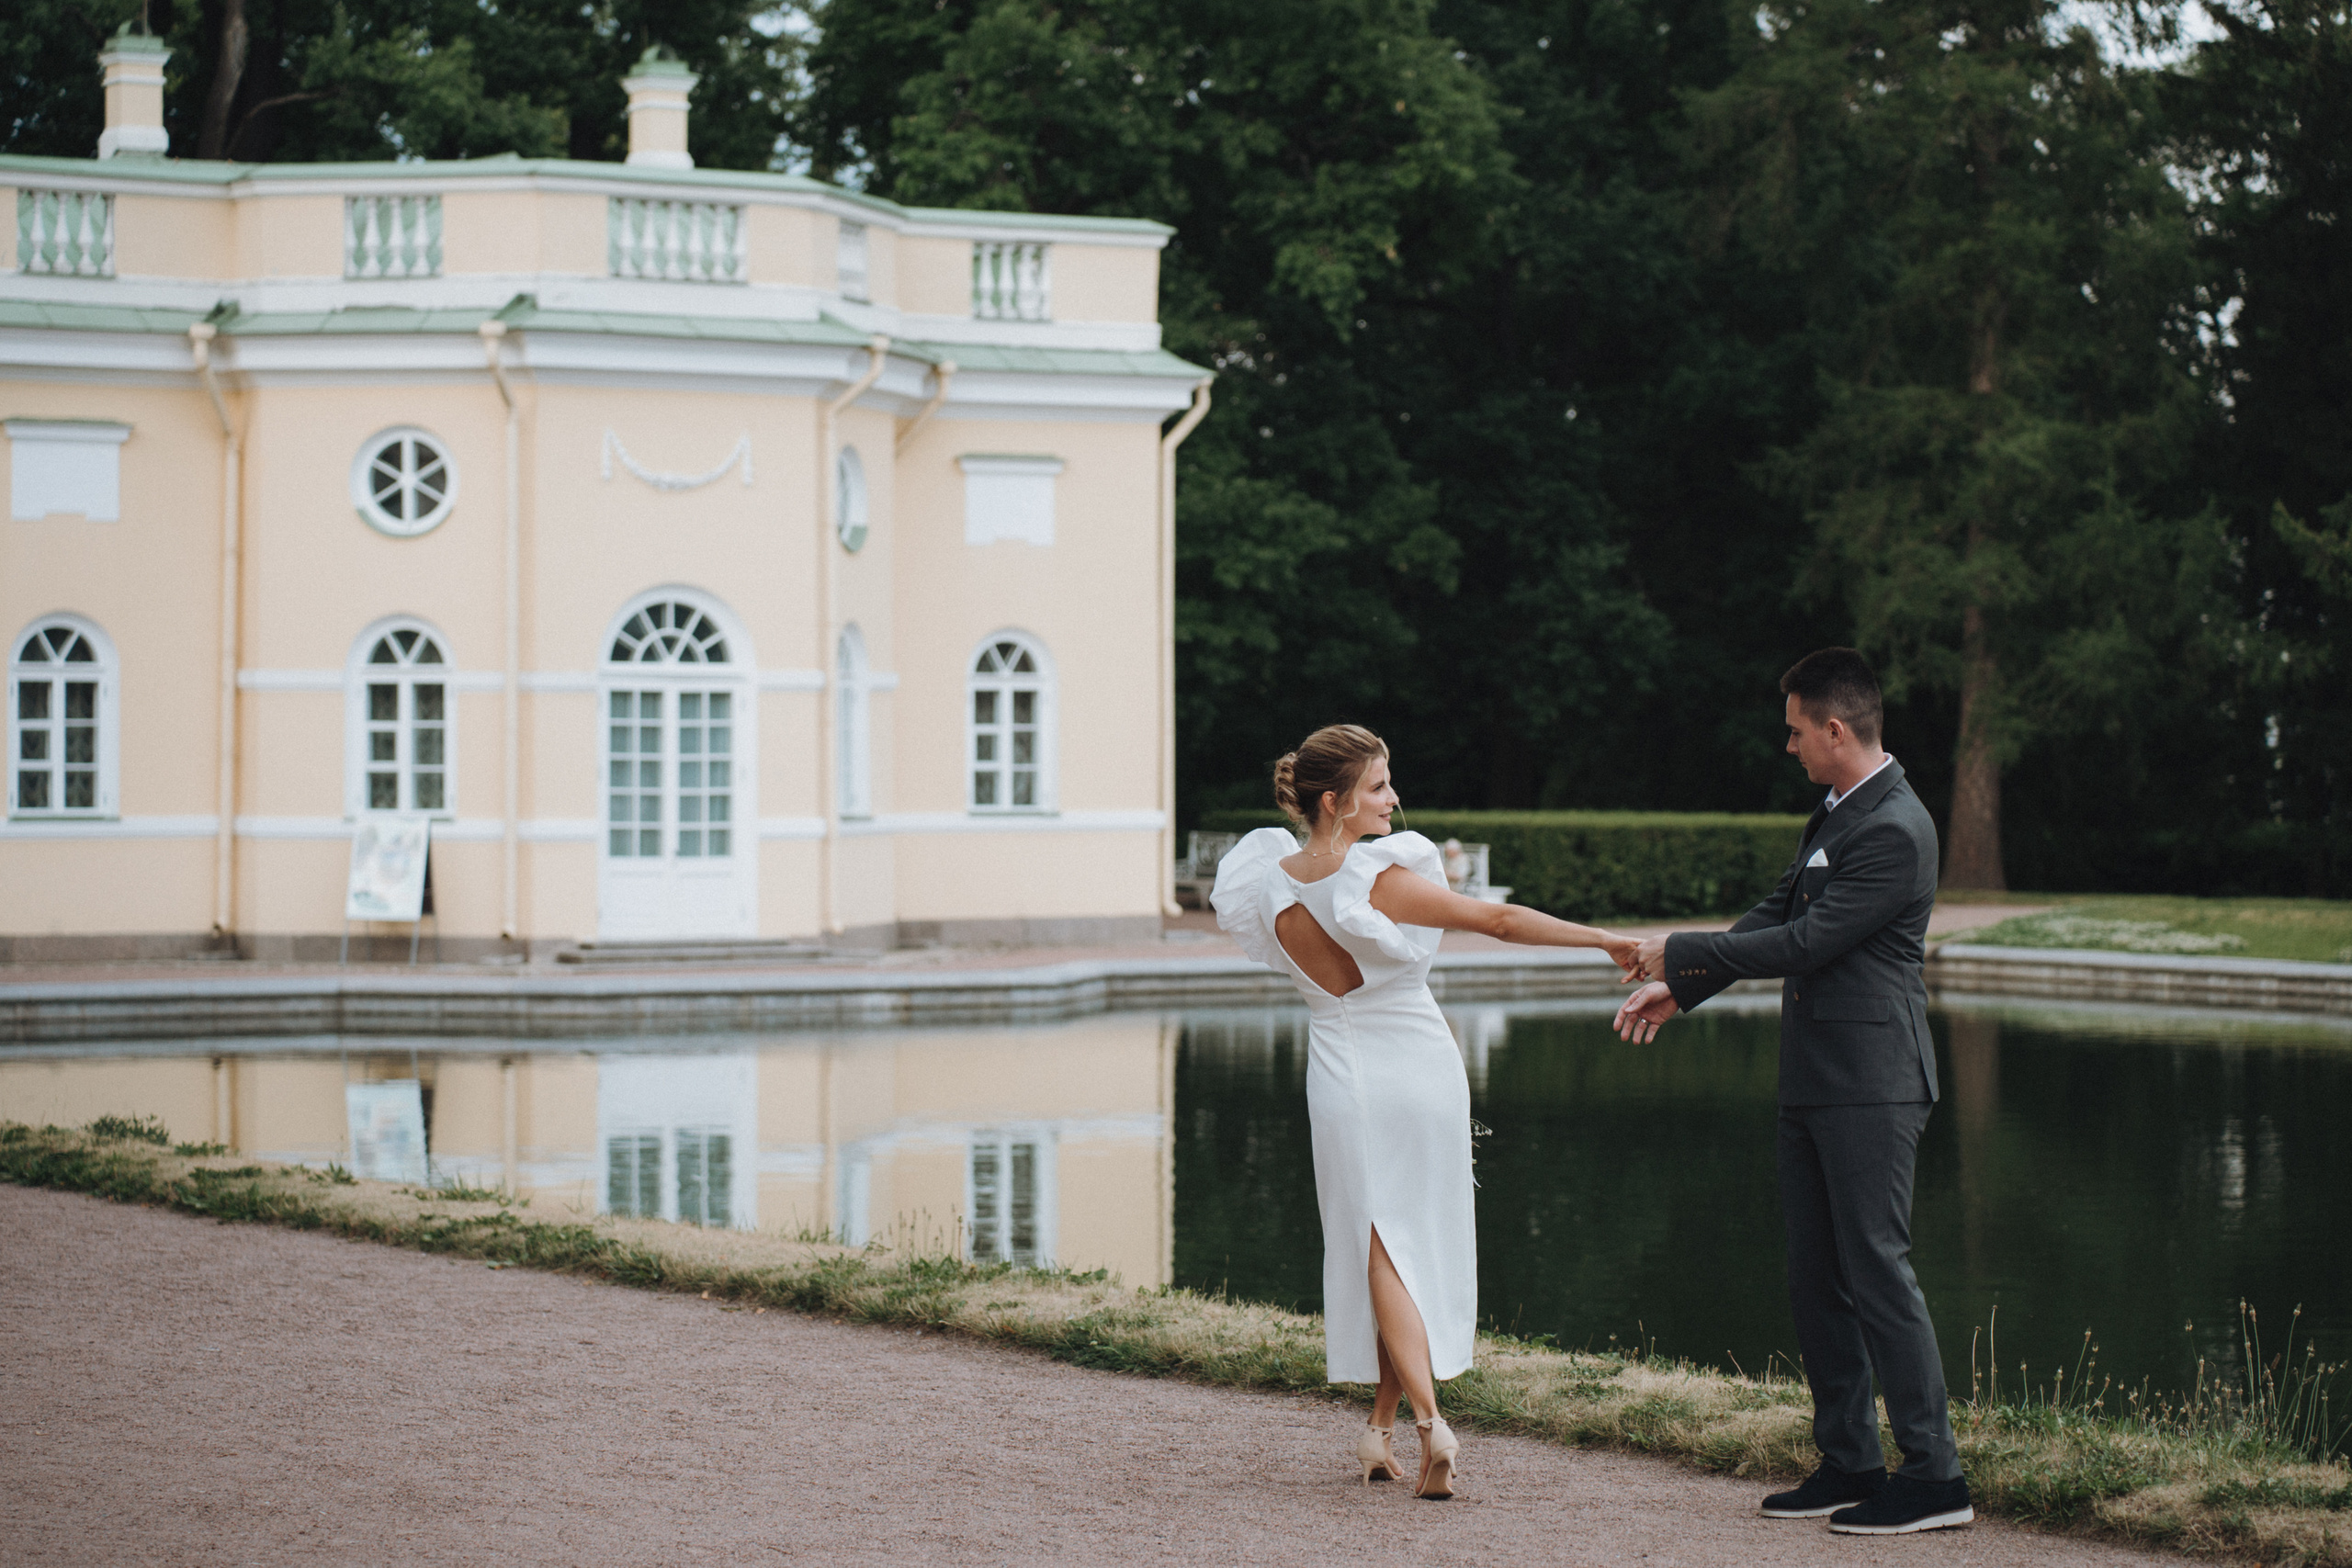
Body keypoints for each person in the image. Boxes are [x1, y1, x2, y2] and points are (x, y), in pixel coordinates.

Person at [1212, 724, 1641, 1499]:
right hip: (1418, 1062)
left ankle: (1406, 1423)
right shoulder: (1377, 873)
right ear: (1336, 802)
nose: (1394, 799)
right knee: (1401, 1244)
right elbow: (1500, 921)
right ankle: (1409, 1424)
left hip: (1342, 1073)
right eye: (1379, 787)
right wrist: (1605, 938)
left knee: (1378, 1245)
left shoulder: (1265, 877)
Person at [1614, 649, 1973, 1535]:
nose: (1790, 746)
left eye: (1796, 729)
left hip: (1874, 1086)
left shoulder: (1895, 826)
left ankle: (1935, 1478)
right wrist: (1685, 984)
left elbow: (1811, 941)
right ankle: (1851, 1459)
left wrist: (1679, 944)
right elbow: (1779, 911)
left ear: (1837, 729)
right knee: (1816, 1278)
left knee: (1879, 1275)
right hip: (1814, 1083)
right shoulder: (1840, 810)